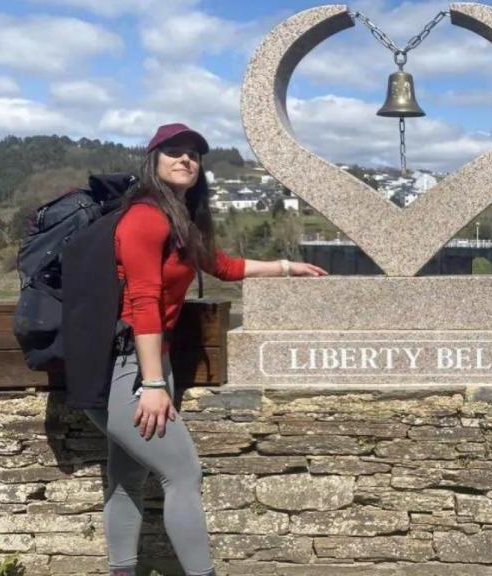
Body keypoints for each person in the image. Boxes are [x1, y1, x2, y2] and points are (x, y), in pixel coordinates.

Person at [84, 123, 327, 576]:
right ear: (153, 161)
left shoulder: (179, 219)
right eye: (173, 152)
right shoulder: (145, 216)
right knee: (183, 476)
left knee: (128, 478)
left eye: (194, 155)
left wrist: (287, 266)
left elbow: (222, 266)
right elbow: (142, 299)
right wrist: (153, 382)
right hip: (126, 367)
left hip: (145, 364)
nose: (186, 160)